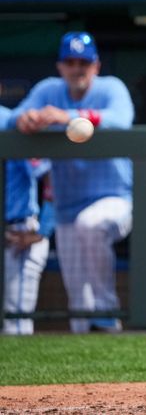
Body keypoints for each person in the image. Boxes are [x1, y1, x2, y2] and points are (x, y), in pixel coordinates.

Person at [11, 31, 134, 333]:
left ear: (96, 66)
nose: (77, 68)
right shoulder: (48, 90)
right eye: (71, 62)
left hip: (114, 198)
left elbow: (122, 119)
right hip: (67, 207)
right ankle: (94, 374)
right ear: (60, 66)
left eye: (84, 62)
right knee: (78, 302)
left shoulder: (110, 88)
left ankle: (108, 314)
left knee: (90, 224)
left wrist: (66, 116)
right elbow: (17, 115)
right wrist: (24, 119)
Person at [1, 101, 48, 335]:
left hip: (16, 232)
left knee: (15, 324)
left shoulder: (13, 123)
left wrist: (44, 230)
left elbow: (50, 178)